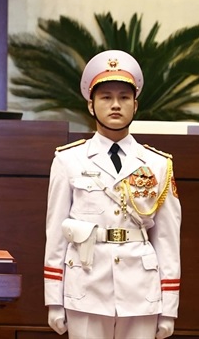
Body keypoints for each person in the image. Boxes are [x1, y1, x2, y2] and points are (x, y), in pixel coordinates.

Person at [44, 50, 181, 339]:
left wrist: (169, 307)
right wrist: (53, 300)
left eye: (124, 97)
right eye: (106, 97)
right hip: (86, 284)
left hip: (141, 289)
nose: (115, 105)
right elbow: (55, 233)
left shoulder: (157, 164)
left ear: (136, 104)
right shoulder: (69, 160)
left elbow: (168, 240)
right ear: (91, 105)